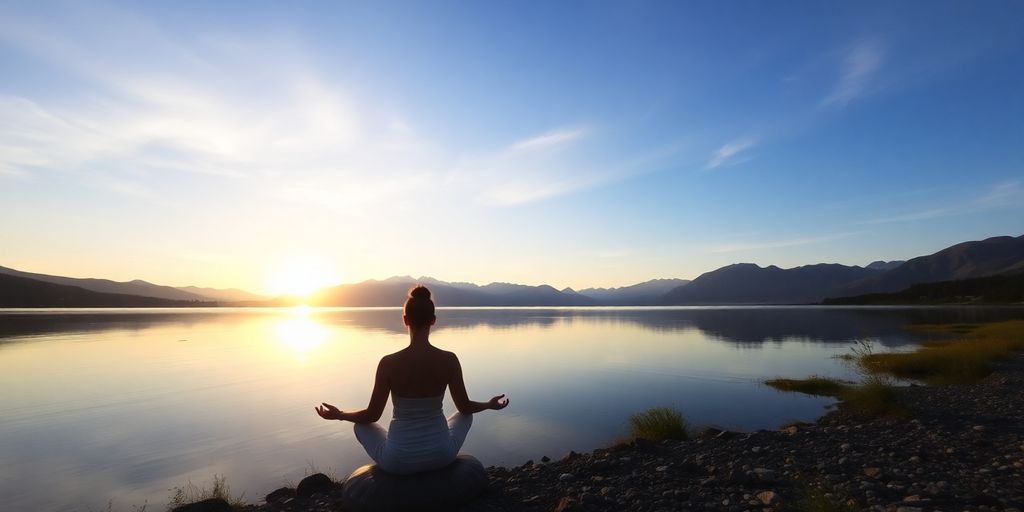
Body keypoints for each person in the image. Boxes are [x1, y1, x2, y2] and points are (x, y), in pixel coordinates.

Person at [315, 285, 509, 474]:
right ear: (433, 320)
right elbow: (465, 407)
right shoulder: (449, 360)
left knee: (360, 426)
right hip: (441, 455)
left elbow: (371, 416)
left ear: (405, 320)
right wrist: (489, 404)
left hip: (397, 461)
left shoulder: (388, 363)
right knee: (466, 415)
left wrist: (339, 414)